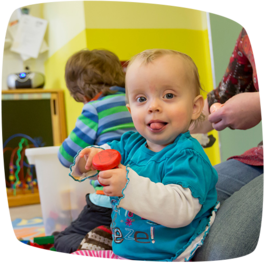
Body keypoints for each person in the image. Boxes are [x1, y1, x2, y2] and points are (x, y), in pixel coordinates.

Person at [68, 49, 220, 262]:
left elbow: (181, 210)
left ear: (195, 107)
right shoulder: (130, 143)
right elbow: (105, 153)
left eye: (168, 95)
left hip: (169, 256)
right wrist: (90, 159)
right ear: (130, 111)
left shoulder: (187, 156)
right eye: (141, 99)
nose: (153, 106)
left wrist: (128, 186)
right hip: (127, 250)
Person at [189, 26, 264, 262]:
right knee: (185, 200)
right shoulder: (246, 35)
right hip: (260, 157)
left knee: (221, 251)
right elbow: (220, 99)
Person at [54, 49, 137, 254]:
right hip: (142, 198)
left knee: (62, 238)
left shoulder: (95, 108)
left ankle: (101, 247)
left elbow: (66, 156)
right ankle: (117, 240)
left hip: (108, 202)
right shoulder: (134, 102)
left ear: (82, 94)